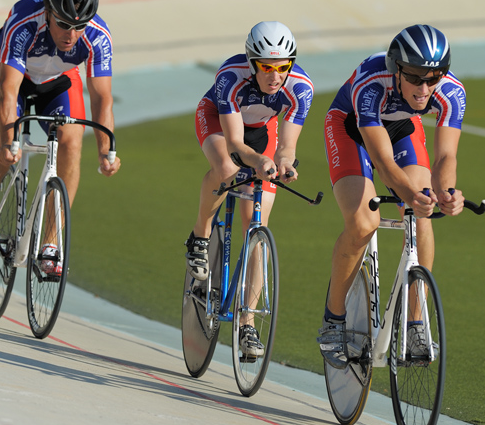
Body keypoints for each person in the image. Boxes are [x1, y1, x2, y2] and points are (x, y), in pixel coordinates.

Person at [317, 24, 467, 368]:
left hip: (401, 128)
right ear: (396, 69)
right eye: (415, 77)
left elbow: (446, 157)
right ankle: (333, 319)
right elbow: (384, 165)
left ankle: (416, 322)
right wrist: (412, 194)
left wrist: (445, 193)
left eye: (433, 78)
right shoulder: (372, 82)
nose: (424, 87)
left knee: (423, 214)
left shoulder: (451, 91)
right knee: (362, 222)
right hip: (352, 128)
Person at [0, 0, 120, 276]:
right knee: (0, 142)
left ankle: (51, 244)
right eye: (64, 24)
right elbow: (8, 90)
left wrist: (107, 152)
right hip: (15, 76)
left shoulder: (97, 36)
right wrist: (8, 140)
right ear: (49, 12)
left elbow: (102, 98)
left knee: (71, 142)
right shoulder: (25, 23)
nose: (71, 35)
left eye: (79, 26)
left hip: (58, 81)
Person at [184, 21, 314, 358]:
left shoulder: (300, 88)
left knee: (256, 228)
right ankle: (200, 235)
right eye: (267, 68)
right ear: (253, 63)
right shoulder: (230, 76)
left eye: (283, 67)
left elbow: (287, 147)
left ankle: (248, 324)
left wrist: (283, 164)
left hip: (262, 131)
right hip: (220, 122)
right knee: (227, 169)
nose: (275, 76)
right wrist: (257, 161)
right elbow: (236, 144)